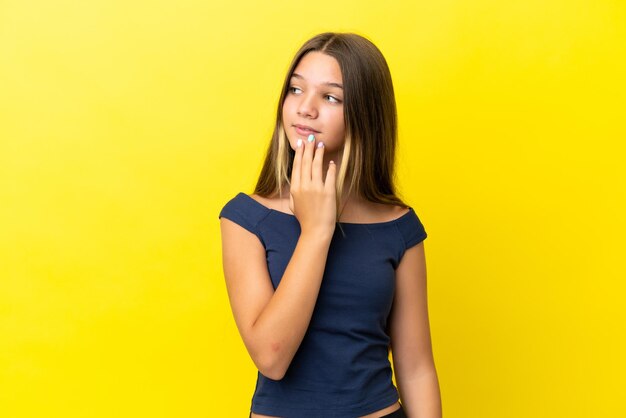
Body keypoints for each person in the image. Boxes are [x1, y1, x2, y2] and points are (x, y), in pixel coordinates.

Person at [219, 32, 442, 418]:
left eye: (330, 97)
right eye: (295, 90)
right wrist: (316, 231)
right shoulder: (245, 220)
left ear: (365, 113)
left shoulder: (399, 227)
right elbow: (271, 357)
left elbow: (417, 367)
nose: (305, 108)